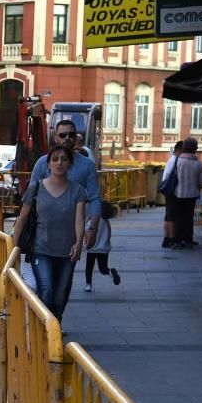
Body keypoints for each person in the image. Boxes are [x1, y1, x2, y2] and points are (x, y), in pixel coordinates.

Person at [12, 145, 87, 320]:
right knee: (46, 292)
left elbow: (79, 220)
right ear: (48, 164)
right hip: (41, 250)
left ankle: (55, 326)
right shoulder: (35, 188)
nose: (59, 163)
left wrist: (78, 243)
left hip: (67, 252)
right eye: (55, 159)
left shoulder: (78, 191)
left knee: (61, 295)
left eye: (64, 159)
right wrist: (14, 248)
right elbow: (22, 218)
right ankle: (45, 334)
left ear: (70, 164)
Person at [29, 119, 102, 250]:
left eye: (71, 134)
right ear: (56, 137)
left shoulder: (87, 165)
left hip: (70, 236)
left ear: (76, 137)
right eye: (63, 135)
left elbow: (94, 197)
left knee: (65, 269)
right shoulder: (42, 163)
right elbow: (30, 196)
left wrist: (92, 228)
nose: (67, 138)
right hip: (42, 235)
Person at [172, 137, 202, 249]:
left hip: (178, 193)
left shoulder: (178, 161)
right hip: (192, 195)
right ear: (194, 149)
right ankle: (188, 239)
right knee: (188, 218)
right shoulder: (199, 164)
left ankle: (177, 240)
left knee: (178, 217)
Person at [83, 202, 121, 292]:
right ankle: (110, 271)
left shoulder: (92, 221)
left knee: (89, 267)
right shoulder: (106, 222)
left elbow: (87, 232)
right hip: (103, 249)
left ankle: (88, 284)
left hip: (92, 249)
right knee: (103, 268)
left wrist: (85, 244)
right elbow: (108, 236)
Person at [160, 141, 184, 248]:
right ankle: (172, 239)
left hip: (167, 190)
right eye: (183, 151)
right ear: (179, 150)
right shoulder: (175, 160)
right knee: (171, 216)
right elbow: (172, 177)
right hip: (171, 191)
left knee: (168, 215)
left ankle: (166, 238)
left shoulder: (171, 159)